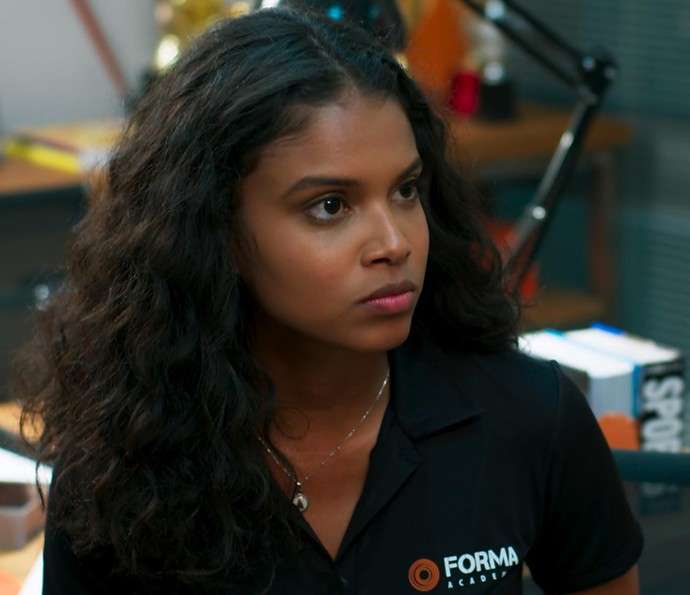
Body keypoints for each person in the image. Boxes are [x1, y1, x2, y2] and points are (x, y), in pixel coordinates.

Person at [12, 7, 643, 594]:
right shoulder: (121, 461)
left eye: (405, 190)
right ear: (214, 229)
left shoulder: (530, 417)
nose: (394, 243)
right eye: (330, 206)